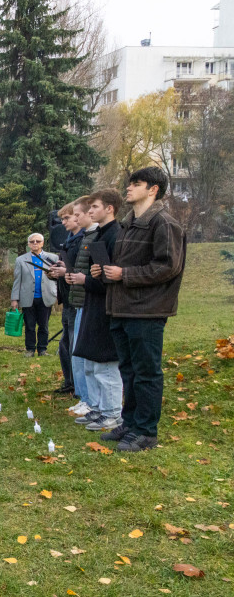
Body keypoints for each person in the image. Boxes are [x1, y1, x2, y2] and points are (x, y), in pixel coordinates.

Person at [103, 167, 186, 452]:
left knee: (146, 372)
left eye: (135, 184)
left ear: (153, 189)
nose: (128, 189)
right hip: (122, 309)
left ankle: (147, 431)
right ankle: (131, 423)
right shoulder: (128, 224)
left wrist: (123, 275)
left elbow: (167, 267)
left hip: (147, 312)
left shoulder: (164, 223)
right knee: (129, 370)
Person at [71, 189, 123, 434]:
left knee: (106, 364)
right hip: (93, 303)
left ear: (109, 208)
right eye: (89, 208)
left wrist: (89, 278)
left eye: (94, 208)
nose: (90, 212)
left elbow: (110, 277)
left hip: (106, 307)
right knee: (92, 361)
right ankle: (100, 408)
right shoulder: (101, 233)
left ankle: (112, 413)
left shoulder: (116, 234)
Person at [47, 200, 85, 397]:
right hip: (67, 298)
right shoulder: (68, 239)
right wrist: (55, 271)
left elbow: (81, 269)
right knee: (65, 345)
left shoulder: (83, 239)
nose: (63, 222)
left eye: (67, 218)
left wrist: (65, 272)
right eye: (61, 219)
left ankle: (78, 388)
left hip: (77, 298)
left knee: (73, 345)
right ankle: (70, 382)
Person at [64, 201, 97, 416]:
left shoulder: (97, 237)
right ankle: (84, 397)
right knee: (76, 353)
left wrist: (81, 278)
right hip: (78, 300)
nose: (74, 219)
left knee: (88, 357)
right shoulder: (85, 237)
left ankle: (91, 401)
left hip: (88, 302)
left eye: (77, 215)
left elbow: (96, 273)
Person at [10, 233, 59, 357]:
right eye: (32, 241)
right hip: (27, 297)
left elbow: (58, 278)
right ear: (28, 244)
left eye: (38, 241)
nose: (35, 243)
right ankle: (30, 349)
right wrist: (14, 298)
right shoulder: (21, 260)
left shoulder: (52, 258)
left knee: (44, 325)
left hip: (46, 296)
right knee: (30, 326)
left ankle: (42, 349)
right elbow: (17, 280)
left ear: (42, 243)